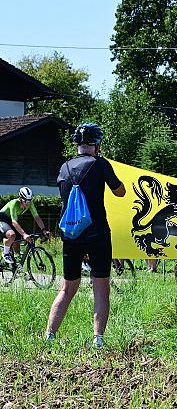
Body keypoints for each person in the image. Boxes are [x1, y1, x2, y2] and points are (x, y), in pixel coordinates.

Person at [46, 123, 126, 348]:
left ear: (77, 144)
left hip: (70, 234)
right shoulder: (100, 164)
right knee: (100, 285)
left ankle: (50, 335)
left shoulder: (64, 167)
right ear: (97, 144)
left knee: (67, 287)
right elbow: (120, 192)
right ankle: (98, 339)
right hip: (97, 233)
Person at [0, 187, 50, 266]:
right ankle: (5, 253)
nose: (28, 203)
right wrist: (24, 234)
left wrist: (44, 230)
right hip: (2, 219)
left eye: (30, 200)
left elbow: (36, 217)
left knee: (17, 242)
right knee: (12, 235)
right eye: (26, 200)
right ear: (20, 198)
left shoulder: (30, 204)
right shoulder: (14, 203)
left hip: (12, 221)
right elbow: (14, 222)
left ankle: (17, 266)